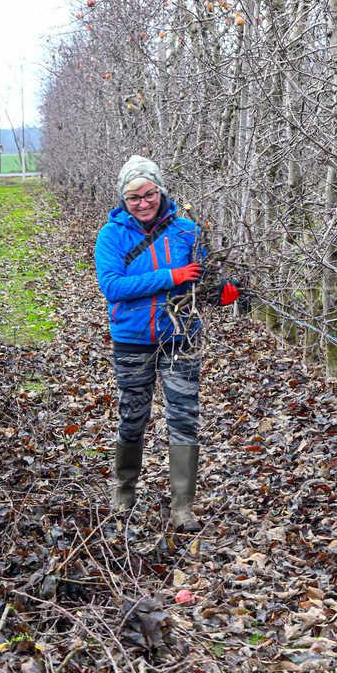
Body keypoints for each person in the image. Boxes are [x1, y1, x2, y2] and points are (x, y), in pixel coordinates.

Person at [94, 154, 241, 532]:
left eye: (149, 194)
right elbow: (113, 287)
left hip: (181, 338)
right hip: (132, 340)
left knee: (184, 419)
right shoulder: (112, 235)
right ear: (122, 200)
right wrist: (171, 275)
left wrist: (225, 293)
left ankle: (182, 506)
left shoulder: (187, 231)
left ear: (161, 190)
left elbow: (200, 282)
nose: (143, 203)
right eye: (133, 198)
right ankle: (124, 490)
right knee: (133, 416)